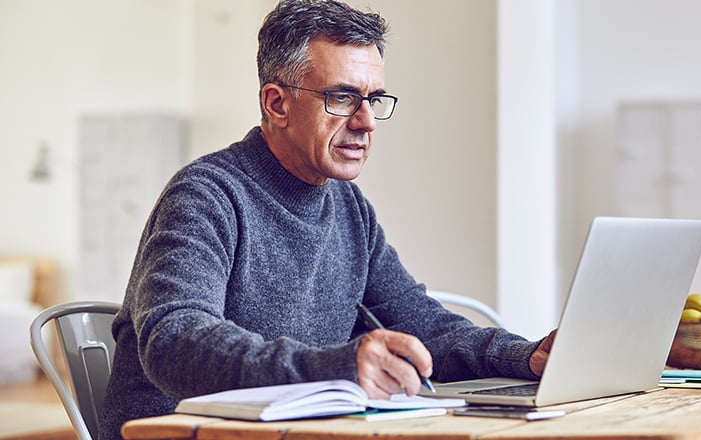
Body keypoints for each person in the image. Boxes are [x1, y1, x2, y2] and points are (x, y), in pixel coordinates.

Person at [98, 0, 555, 438]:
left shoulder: (349, 207)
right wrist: (335, 368)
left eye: (373, 100)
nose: (366, 121)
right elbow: (175, 341)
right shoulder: (206, 194)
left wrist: (527, 356)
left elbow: (423, 326)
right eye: (342, 97)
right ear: (277, 103)